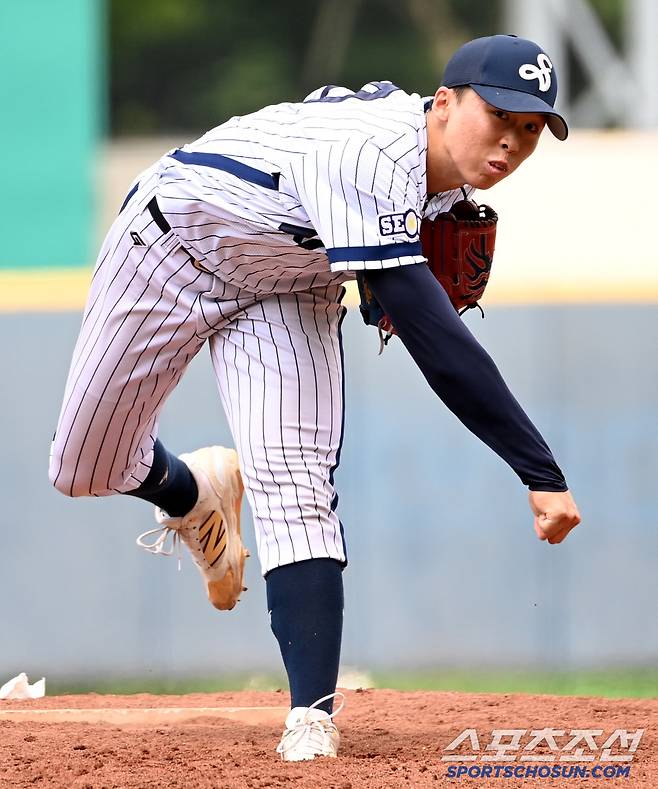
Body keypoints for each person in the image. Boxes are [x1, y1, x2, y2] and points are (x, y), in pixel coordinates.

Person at [49, 34, 581, 761]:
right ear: (446, 102)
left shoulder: (446, 179)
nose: (513, 142)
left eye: (530, 130)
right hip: (171, 247)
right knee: (83, 468)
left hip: (287, 288)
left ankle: (311, 715)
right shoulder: (373, 155)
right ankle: (189, 490)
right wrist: (539, 469)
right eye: (500, 116)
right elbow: (433, 338)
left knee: (295, 483)